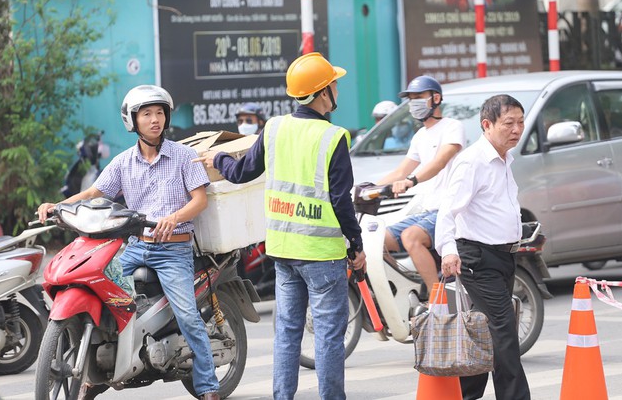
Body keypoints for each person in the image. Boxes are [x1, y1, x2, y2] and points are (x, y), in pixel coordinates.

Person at [197, 52, 366, 400]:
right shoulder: (334, 137)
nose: (337, 87)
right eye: (333, 83)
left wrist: (219, 158)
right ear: (322, 94)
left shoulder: (274, 128)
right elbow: (341, 201)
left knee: (287, 333)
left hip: (283, 252)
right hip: (321, 255)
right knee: (328, 336)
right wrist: (356, 245)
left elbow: (242, 173)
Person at [37, 85, 220, 400]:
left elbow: (199, 200)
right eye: (147, 114)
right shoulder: (124, 162)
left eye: (159, 113)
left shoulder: (183, 156)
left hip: (173, 250)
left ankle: (208, 386)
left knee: (188, 315)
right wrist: (57, 206)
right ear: (133, 120)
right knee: (98, 289)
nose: (154, 120)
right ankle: (96, 372)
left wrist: (174, 218)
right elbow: (95, 193)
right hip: (136, 247)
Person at [436, 94, 531, 400]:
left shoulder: (505, 159)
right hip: (478, 258)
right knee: (503, 329)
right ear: (487, 125)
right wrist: (448, 249)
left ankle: (465, 395)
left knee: (483, 332)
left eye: (520, 121)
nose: (517, 129)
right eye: (509, 123)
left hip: (503, 257)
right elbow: (447, 210)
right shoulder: (472, 161)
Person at [377, 75, 465, 295]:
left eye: (418, 97)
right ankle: (408, 290)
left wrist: (411, 181)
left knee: (410, 236)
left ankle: (437, 298)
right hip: (427, 210)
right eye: (411, 98)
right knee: (377, 240)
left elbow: (439, 161)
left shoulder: (452, 127)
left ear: (436, 98)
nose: (413, 102)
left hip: (448, 209)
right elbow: (400, 171)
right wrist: (365, 188)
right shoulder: (420, 136)